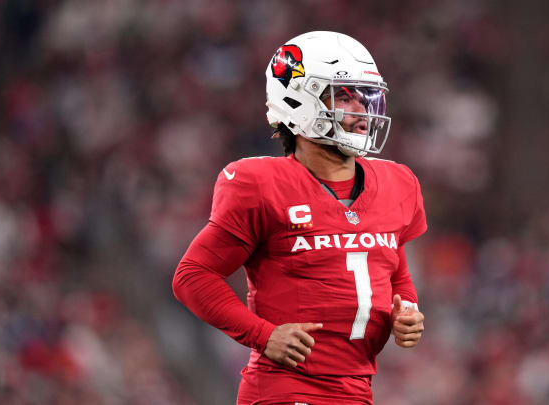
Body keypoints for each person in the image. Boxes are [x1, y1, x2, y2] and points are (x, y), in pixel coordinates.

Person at [172, 31, 427, 405]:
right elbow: (192, 276)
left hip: (357, 390)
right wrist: (262, 334)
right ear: (297, 101)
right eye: (344, 96)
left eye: (364, 96)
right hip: (287, 388)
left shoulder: (397, 183)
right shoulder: (259, 183)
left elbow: (392, 267)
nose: (362, 111)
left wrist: (406, 308)